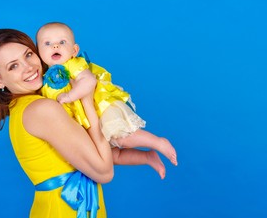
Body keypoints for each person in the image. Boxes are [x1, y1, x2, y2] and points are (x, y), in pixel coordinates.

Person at [0, 28, 155, 218]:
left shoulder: (25, 107)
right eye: (13, 66)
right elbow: (104, 172)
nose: (29, 67)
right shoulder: (41, 109)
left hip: (69, 208)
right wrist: (86, 97)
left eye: (29, 54)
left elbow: (93, 152)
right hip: (65, 215)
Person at [36, 22, 178, 180]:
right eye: (47, 43)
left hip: (99, 111)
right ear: (39, 51)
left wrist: (70, 96)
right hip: (84, 123)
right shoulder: (44, 78)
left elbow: (88, 82)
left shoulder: (73, 64)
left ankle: (158, 142)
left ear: (74, 50)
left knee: (121, 138)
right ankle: (147, 157)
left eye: (62, 42)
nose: (55, 46)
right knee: (112, 156)